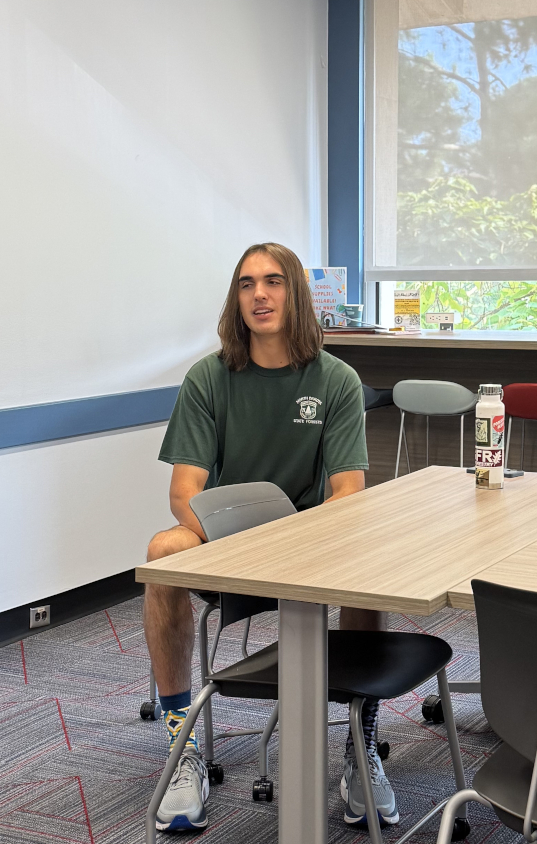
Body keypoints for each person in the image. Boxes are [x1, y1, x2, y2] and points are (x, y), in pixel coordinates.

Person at [146, 243, 380, 832]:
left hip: (311, 545)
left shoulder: (336, 380)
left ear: (295, 294)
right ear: (236, 298)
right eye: (247, 284)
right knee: (162, 549)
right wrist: (240, 553)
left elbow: (348, 490)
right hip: (227, 542)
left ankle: (362, 740)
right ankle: (182, 744)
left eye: (273, 282)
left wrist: (296, 550)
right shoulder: (209, 377)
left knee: (371, 566)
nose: (259, 294)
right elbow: (185, 493)